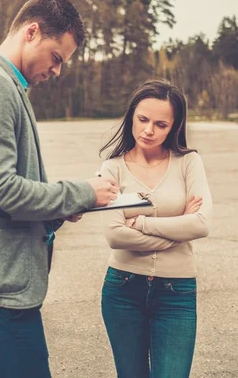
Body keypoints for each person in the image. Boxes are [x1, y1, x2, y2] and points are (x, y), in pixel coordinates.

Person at [0, 0, 118, 378]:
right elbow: (2, 189)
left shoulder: (5, 85)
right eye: (56, 57)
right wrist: (81, 192)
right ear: (31, 32)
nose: (57, 70)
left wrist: (61, 211)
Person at [97, 79, 213, 378]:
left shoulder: (188, 162)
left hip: (176, 292)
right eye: (143, 119)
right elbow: (114, 235)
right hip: (122, 289)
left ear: (174, 127)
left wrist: (144, 224)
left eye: (160, 124)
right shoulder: (112, 167)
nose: (148, 130)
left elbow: (200, 223)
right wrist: (176, 231)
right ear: (131, 116)